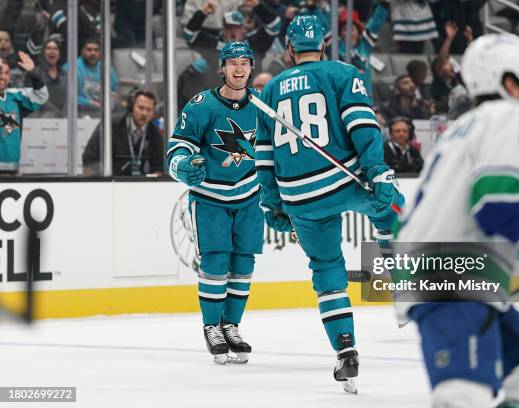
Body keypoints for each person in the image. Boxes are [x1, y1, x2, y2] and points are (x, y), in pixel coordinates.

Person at [394, 33, 519, 407]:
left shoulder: (463, 126)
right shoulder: (511, 116)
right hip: (451, 275)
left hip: (441, 270)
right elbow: (493, 202)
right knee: (463, 394)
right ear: (509, 82)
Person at [255, 15, 404, 394]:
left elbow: (265, 156)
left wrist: (273, 203)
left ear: (289, 49)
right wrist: (378, 170)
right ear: (323, 43)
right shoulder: (343, 72)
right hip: (346, 180)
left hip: (299, 196)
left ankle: (345, 350)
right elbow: (362, 126)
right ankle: (398, 277)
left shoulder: (270, 89)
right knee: (391, 206)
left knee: (326, 270)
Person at [167, 42, 263, 365]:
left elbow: (276, 154)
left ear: (251, 67)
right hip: (210, 198)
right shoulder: (200, 106)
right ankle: (212, 326)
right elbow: (176, 149)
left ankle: (231, 325)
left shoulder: (262, 108)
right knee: (215, 262)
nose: (239, 69)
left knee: (243, 264)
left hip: (250, 197)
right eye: (232, 63)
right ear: (221, 67)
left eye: (244, 63)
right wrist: (183, 166)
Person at [82, 90, 163, 176]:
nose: (144, 113)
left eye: (149, 110)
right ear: (131, 108)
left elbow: (158, 168)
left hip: (141, 185)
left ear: (153, 113)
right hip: (111, 183)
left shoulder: (155, 132)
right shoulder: (110, 126)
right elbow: (89, 159)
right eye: (141, 108)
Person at [0, 53, 48, 175]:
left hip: (13, 170)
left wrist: (33, 72)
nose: (3, 77)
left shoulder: (15, 96)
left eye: (6, 73)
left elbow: (41, 96)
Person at [63, 38, 119, 115]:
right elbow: (67, 97)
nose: (93, 53)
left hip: (102, 113)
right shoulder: (71, 67)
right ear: (82, 52)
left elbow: (114, 92)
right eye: (89, 50)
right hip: (77, 113)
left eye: (96, 50)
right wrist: (91, 103)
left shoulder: (107, 69)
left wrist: (110, 103)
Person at [29, 39, 66, 117]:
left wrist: (65, 115)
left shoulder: (65, 74)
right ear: (43, 53)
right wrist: (57, 113)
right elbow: (36, 98)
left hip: (63, 120)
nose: (52, 51)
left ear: (59, 54)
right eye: (48, 48)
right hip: (39, 119)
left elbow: (69, 98)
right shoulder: (34, 74)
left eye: (55, 49)